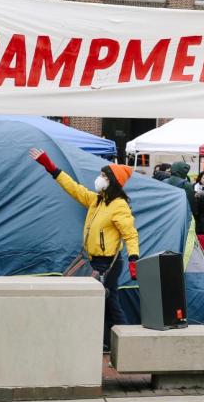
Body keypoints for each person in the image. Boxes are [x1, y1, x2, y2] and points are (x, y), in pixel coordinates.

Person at [29, 147, 140, 346]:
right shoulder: (97, 201)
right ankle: (110, 341)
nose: (99, 178)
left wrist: (134, 258)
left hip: (109, 263)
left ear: (112, 181)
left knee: (109, 301)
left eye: (103, 175)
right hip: (94, 261)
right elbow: (74, 188)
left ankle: (125, 343)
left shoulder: (119, 205)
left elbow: (130, 234)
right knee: (105, 301)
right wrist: (51, 167)